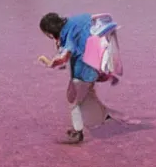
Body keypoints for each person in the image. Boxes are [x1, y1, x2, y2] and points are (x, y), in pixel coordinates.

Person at [37, 12, 126, 144]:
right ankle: (103, 116)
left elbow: (64, 57)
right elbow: (95, 20)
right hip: (95, 67)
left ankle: (77, 132)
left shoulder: (67, 36)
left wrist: (50, 63)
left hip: (82, 72)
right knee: (88, 94)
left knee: (72, 100)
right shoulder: (79, 19)